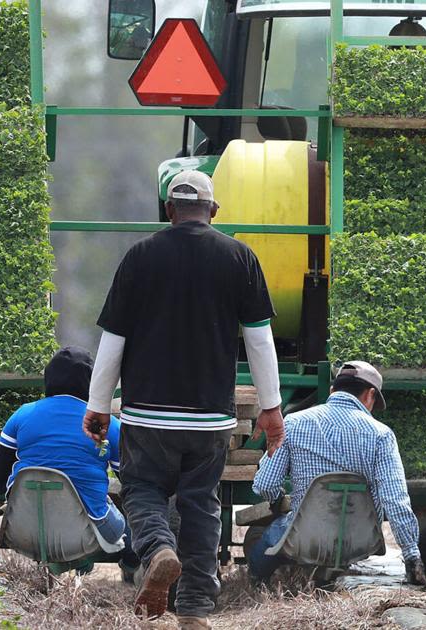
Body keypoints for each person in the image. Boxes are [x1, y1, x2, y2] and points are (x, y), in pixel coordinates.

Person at [81, 170, 285, 627]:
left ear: (169, 210)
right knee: (200, 503)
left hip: (146, 414)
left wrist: (97, 405)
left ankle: (157, 550)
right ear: (213, 211)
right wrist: (271, 409)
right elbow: (260, 342)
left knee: (142, 489)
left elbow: (113, 340)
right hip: (209, 418)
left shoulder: (139, 257)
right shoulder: (240, 258)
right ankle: (193, 608)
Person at [248, 362, 425, 586]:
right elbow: (395, 500)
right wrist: (412, 556)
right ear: (370, 395)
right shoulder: (382, 435)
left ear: (332, 391)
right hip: (360, 540)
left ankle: (255, 584)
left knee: (272, 534)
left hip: (305, 536)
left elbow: (265, 484)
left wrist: (276, 500)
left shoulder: (293, 423)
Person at [0, 346, 136, 573]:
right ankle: (131, 565)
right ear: (91, 382)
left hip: (25, 530)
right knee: (130, 529)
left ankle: (73, 567)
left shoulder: (22, 414)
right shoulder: (107, 425)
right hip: (85, 533)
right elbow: (131, 482)